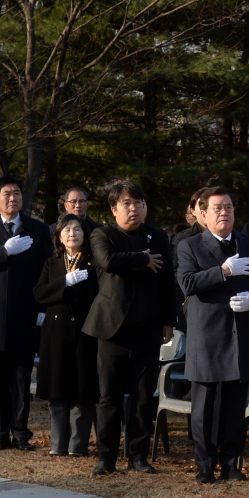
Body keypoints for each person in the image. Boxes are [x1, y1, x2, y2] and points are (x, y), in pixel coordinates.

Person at [177, 187, 249, 483]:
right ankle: (205, 464)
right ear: (203, 214)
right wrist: (222, 271)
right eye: (218, 208)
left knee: (235, 405)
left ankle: (231, 463)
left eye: (229, 208)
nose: (224, 213)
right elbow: (186, 283)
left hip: (239, 333)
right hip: (206, 335)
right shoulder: (190, 245)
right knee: (204, 407)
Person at [83, 180, 176, 476]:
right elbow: (109, 262)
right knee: (109, 396)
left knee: (143, 397)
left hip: (148, 329)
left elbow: (167, 282)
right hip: (112, 330)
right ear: (114, 209)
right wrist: (143, 259)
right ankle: (106, 458)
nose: (134, 208)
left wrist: (168, 321)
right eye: (127, 203)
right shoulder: (102, 234)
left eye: (139, 203)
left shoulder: (158, 237)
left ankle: (138, 456)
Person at [0, 175, 52, 451]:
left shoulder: (37, 230)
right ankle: (0, 432)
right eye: (6, 194)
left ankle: (21, 432)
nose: (12, 198)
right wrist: (3, 251)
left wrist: (43, 308)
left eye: (16, 193)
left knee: (21, 377)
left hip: (26, 312)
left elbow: (47, 271)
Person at [33, 214, 100, 457]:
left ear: (85, 234)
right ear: (59, 237)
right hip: (56, 334)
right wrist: (65, 282)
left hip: (84, 332)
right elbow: (39, 293)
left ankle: (78, 446)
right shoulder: (52, 264)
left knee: (82, 392)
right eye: (67, 230)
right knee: (57, 390)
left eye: (77, 229)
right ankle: (57, 445)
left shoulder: (94, 263)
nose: (72, 233)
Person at [171, 188, 208, 331]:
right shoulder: (183, 239)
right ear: (192, 211)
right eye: (201, 205)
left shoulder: (229, 237)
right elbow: (173, 272)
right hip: (190, 305)